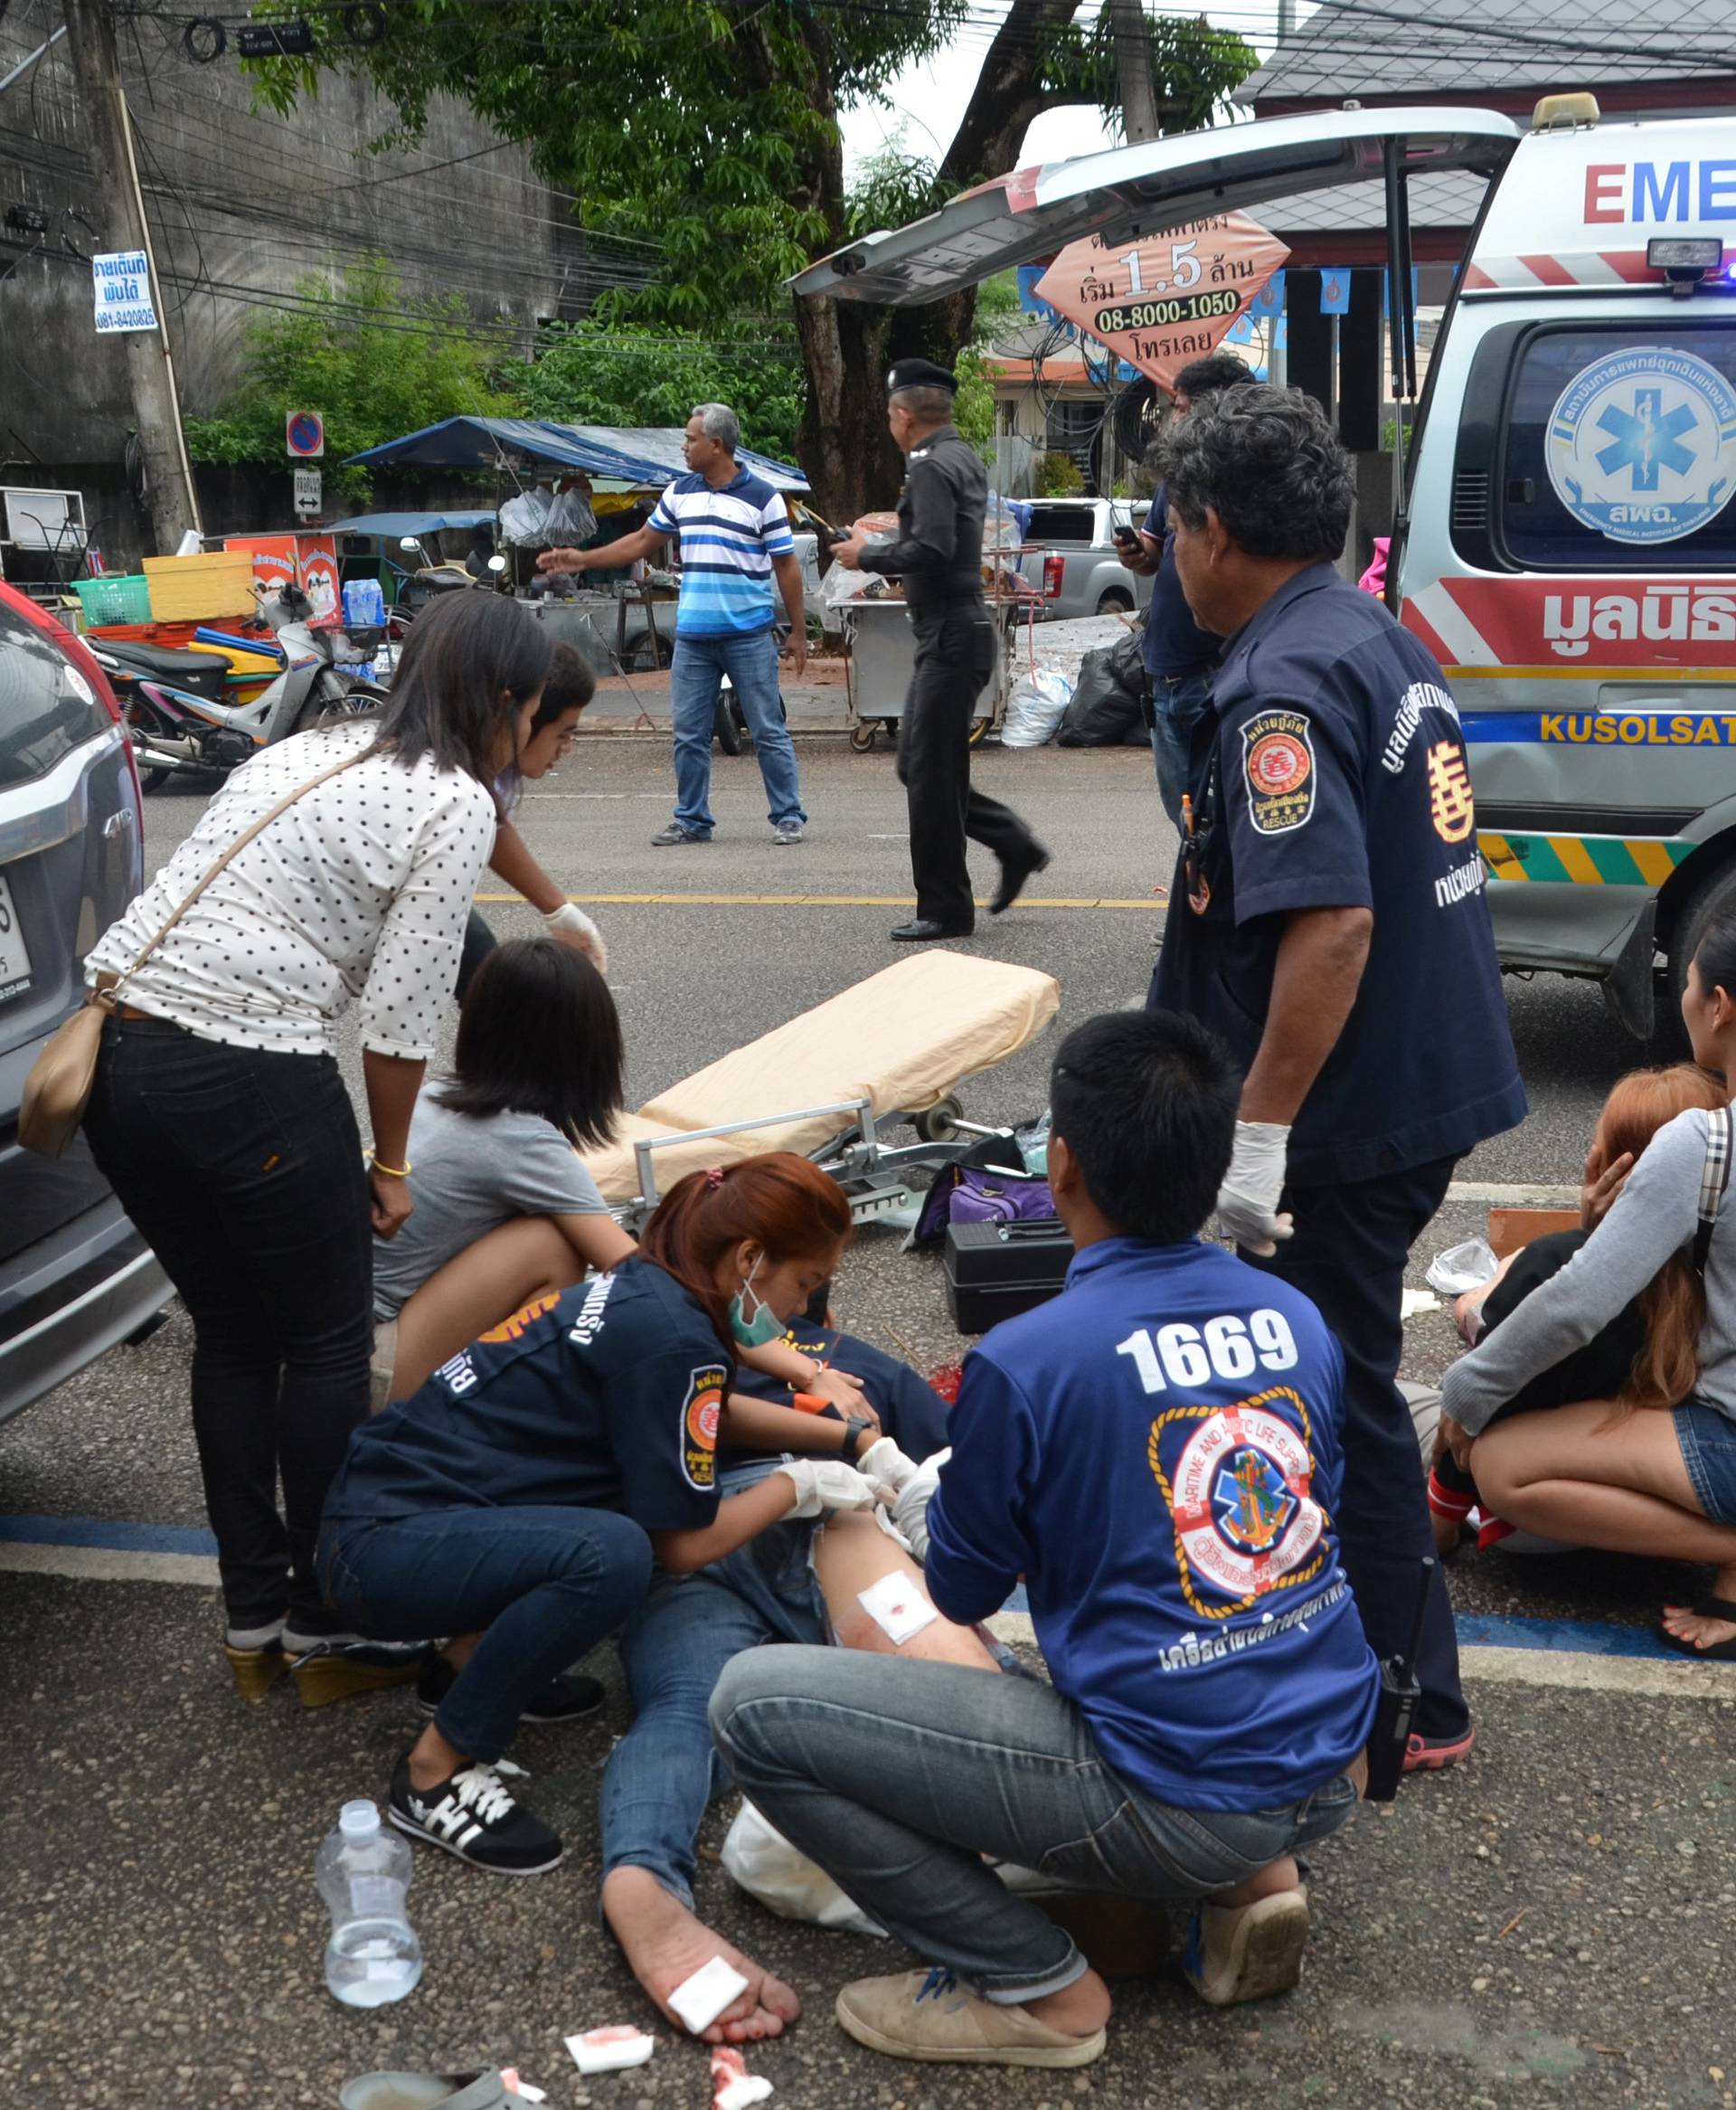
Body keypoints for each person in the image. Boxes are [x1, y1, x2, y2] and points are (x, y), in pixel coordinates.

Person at [712, 1010, 1379, 2070]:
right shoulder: (1294, 1315)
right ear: (1214, 1166)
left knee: (754, 1705)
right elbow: (1303, 1525)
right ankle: (1251, 1884)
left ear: (1058, 1164)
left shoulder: (1027, 1360)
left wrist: (925, 1485)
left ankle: (1041, 1990)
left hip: (1179, 1786)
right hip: (1331, 1758)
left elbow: (966, 1588)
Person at [1146, 385, 1525, 1773]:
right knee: (1338, 1377)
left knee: (1342, 1391)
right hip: (1416, 1070)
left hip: (1348, 1115)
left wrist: (1255, 1140)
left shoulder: (1279, 686)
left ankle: (1410, 1699)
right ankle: (1382, 1664)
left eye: (1176, 526)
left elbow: (1335, 923)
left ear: (1216, 529)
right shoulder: (1366, 628)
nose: (1172, 555)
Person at [80, 592, 552, 1703]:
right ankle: (336, 1613)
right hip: (247, 1069)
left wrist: (560, 905)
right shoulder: (448, 800)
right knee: (331, 1344)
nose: (532, 730)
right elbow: (400, 1021)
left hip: (115, 1062)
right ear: (498, 699)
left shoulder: (317, 746)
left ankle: (255, 1620)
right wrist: (391, 1168)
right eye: (531, 709)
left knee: (236, 1337)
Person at [316, 1154, 884, 1881]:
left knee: (614, 1504)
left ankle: (463, 1667)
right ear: (749, 1257)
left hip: (392, 1508)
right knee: (617, 1551)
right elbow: (682, 1547)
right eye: (805, 1281)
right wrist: (798, 1485)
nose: (803, 1310)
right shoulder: (676, 1338)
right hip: (380, 1549)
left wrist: (849, 1438)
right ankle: (433, 1772)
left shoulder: (652, 1289)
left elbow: (688, 1414)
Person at [597, 1164, 987, 2044]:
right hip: (805, 1515)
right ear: (759, 1270)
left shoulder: (658, 1332)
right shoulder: (847, 1366)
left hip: (684, 1555)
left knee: (678, 1718)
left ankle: (640, 1881)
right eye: (810, 1281)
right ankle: (1032, 1827)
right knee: (926, 1645)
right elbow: (961, 1476)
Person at [1440, 922, 1736, 1659]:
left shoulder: (1704, 1142)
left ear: (1721, 1005)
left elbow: (1575, 1305)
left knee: (1501, 1465)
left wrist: (1464, 1396)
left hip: (1728, 1441)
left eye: (1688, 983)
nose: (1685, 996)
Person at [1429, 1064, 1725, 1556]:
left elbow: (1490, 1388)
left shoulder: (1557, 1271)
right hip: (1658, 1504)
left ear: (1609, 1166)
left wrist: (1575, 1244)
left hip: (1532, 1520)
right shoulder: (1714, 1280)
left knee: (1409, 1409)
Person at [830, 360, 1049, 943]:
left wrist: (866, 556)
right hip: (953, 634)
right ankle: (1014, 845)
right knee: (924, 765)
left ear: (903, 416)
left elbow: (929, 546)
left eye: (889, 415)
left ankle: (947, 909)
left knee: (925, 770)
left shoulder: (930, 467)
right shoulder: (960, 457)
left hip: (950, 634)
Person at [371, 938, 637, 1406]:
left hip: (315, 1363)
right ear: (584, 1048)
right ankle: (508, 1422)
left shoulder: (435, 1096)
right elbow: (637, 1270)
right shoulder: (521, 1140)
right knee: (552, 1245)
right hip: (370, 1371)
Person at [537, 404, 809, 848]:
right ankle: (692, 820)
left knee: (766, 729)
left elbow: (787, 565)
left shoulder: (763, 497)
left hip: (748, 635)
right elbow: (643, 541)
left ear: (716, 444)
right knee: (688, 733)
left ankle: (788, 815)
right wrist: (582, 558)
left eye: (690, 439)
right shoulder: (680, 492)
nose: (683, 447)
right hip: (694, 640)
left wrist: (797, 633)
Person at [1111, 352, 1256, 826]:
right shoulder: (1175, 478)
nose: (1173, 418)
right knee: (1188, 822)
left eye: (1181, 407)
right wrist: (1137, 555)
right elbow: (1153, 554)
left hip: (1214, 679)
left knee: (1226, 822)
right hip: (1163, 680)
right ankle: (1202, 896)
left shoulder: (1246, 483)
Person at [457, 640, 607, 1003]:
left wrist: (558, 910)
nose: (567, 747)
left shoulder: (495, 771)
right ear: (522, 715)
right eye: (563, 733)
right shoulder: (456, 785)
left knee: (489, 991)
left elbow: (493, 825)